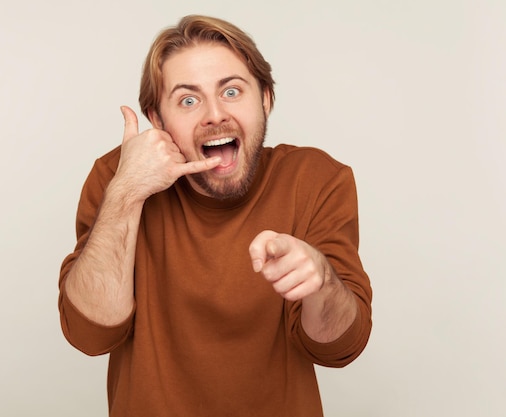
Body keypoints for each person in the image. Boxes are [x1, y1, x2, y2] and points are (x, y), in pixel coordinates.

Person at [58, 14, 372, 417]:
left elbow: (339, 348)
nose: (213, 115)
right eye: (188, 100)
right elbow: (89, 335)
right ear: (158, 120)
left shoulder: (317, 179)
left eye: (232, 91)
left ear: (265, 99)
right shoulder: (117, 177)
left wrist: (321, 281)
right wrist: (126, 193)